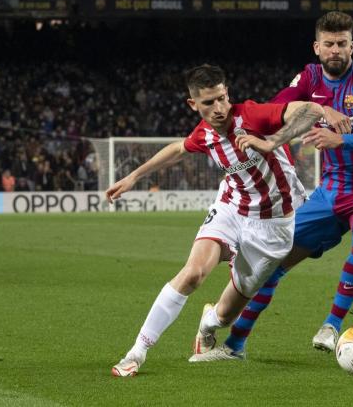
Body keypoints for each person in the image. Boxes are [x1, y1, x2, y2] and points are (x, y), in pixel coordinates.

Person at [190, 11, 353, 361]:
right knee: (272, 264)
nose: (336, 50)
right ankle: (235, 345)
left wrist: (341, 141)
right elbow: (276, 108)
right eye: (329, 44)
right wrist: (268, 129)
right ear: (317, 47)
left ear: (352, 46)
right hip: (332, 190)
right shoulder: (309, 78)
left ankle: (331, 326)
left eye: (342, 44)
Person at [107, 64, 324, 376]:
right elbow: (178, 149)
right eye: (209, 103)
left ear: (228, 93)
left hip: (273, 227)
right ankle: (136, 352)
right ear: (193, 105)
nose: (219, 108)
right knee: (193, 274)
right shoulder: (205, 133)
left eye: (222, 98)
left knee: (224, 315)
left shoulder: (250, 116)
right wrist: (133, 177)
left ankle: (208, 324)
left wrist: (273, 141)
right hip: (231, 208)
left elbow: (311, 109)